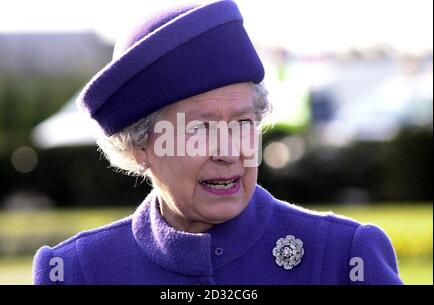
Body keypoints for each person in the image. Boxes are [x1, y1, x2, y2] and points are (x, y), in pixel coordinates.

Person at [33, 0, 403, 285]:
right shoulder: (79, 271)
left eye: (243, 124)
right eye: (199, 129)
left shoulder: (342, 258)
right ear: (139, 145)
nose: (229, 153)